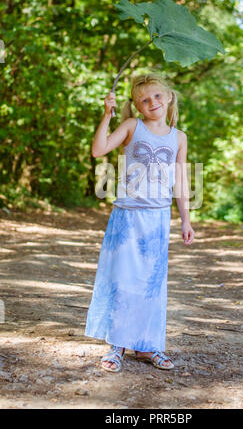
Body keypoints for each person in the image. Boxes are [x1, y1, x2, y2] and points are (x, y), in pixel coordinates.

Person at [85, 73, 195, 372]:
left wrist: (186, 220)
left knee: (151, 284)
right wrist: (106, 116)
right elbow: (99, 149)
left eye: (157, 96)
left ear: (169, 96)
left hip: (158, 219)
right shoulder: (132, 126)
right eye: (144, 100)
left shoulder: (179, 137)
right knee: (124, 279)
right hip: (128, 215)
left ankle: (147, 345)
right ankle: (117, 344)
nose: (152, 103)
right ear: (136, 106)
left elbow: (181, 182)